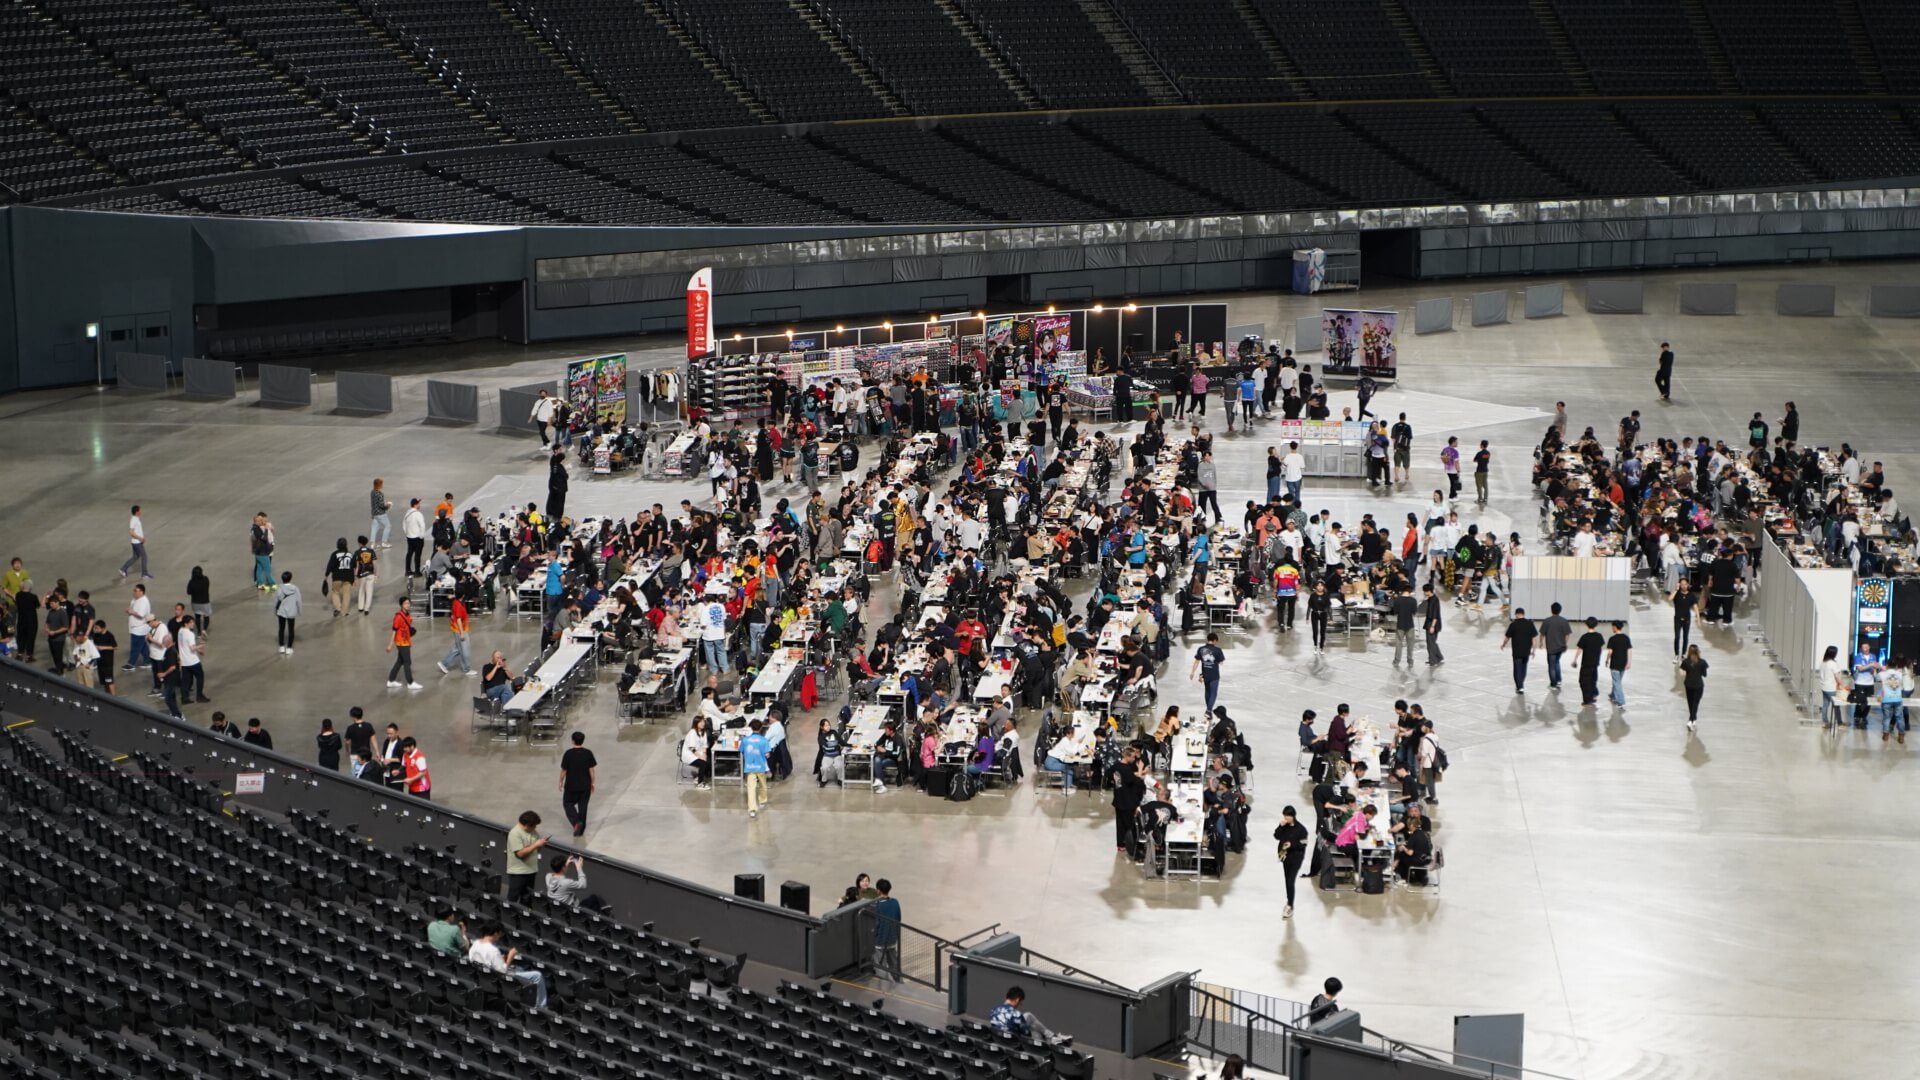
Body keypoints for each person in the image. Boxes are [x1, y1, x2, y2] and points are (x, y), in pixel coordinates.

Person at [467, 923, 547, 1009]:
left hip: (483, 978)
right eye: (500, 933)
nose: (500, 936)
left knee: (519, 968)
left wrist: (500, 959)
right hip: (500, 980)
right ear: (495, 933)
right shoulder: (493, 950)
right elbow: (503, 972)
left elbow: (473, 960)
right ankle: (540, 1007)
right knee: (537, 975)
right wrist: (510, 957)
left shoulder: (475, 944)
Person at [988, 986, 1061, 1045]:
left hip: (998, 1039)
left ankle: (1052, 1036)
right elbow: (1026, 1034)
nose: (1020, 1005)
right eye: (1020, 1003)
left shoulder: (993, 1010)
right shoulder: (1016, 1015)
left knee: (1028, 1015)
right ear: (1017, 1000)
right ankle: (1051, 1042)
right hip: (1013, 1042)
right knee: (1036, 1034)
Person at [504, 811, 549, 904]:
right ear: (527, 825)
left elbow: (536, 850)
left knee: (527, 898)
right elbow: (520, 854)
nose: (535, 828)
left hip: (531, 870)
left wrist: (540, 844)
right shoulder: (515, 833)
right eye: (534, 826)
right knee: (513, 898)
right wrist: (536, 844)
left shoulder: (533, 832)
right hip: (518, 872)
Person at [1273, 805, 1309, 918]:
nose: (1286, 818)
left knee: (1290, 881)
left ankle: (1290, 905)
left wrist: (1292, 844)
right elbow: (1276, 836)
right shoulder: (1284, 826)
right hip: (1285, 856)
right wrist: (1280, 826)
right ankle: (1289, 901)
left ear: (1293, 816)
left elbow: (1303, 844)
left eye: (1288, 816)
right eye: (1285, 816)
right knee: (1287, 879)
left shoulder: (1301, 829)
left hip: (1296, 857)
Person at [559, 731, 597, 836]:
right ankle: (581, 830)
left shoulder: (568, 754)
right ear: (582, 741)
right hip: (585, 785)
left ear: (573, 741)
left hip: (571, 785)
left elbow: (564, 770)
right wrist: (593, 783)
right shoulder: (588, 753)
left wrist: (561, 781)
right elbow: (591, 769)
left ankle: (576, 822)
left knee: (567, 803)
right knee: (583, 806)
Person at [385, 596, 420, 689]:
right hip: (401, 642)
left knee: (400, 661)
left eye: (408, 603)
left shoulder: (407, 614)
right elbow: (394, 631)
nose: (408, 605)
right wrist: (390, 644)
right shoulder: (398, 617)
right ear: (401, 605)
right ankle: (410, 683)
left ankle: (391, 680)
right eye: (405, 603)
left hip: (406, 641)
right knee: (407, 662)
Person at [871, 878, 902, 980]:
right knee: (894, 965)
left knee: (881, 967)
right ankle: (899, 982)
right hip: (892, 939)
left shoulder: (877, 906)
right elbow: (898, 918)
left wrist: (873, 936)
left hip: (880, 941)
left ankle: (885, 984)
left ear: (878, 890)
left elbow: (876, 924)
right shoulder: (895, 902)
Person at [1502, 608, 1537, 694]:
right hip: (1526, 651)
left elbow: (1507, 637)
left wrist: (1503, 645)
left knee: (1517, 669)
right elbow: (1534, 639)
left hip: (1517, 651)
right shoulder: (1530, 624)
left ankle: (1520, 686)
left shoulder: (1513, 624)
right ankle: (1521, 684)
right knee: (1523, 668)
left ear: (1517, 614)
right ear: (1523, 614)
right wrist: (1533, 650)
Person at [437, 593, 473, 675]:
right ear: (463, 595)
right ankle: (466, 669)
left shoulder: (456, 601)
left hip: (459, 629)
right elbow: (458, 619)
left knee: (457, 649)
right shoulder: (458, 605)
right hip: (460, 630)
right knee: (465, 649)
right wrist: (462, 633)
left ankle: (444, 663)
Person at [1190, 632, 1225, 714]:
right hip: (1214, 675)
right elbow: (1221, 662)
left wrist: (1192, 672)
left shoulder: (1201, 649)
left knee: (1207, 691)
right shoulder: (1218, 650)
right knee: (1213, 693)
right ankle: (1209, 710)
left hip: (1205, 674)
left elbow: (1196, 661)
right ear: (1215, 640)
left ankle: (1208, 709)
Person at [743, 719, 772, 818]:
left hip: (749, 767)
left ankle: (752, 809)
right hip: (761, 767)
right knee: (763, 784)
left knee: (751, 788)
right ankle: (762, 800)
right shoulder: (764, 740)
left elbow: (741, 750)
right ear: (761, 728)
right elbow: (767, 754)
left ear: (751, 728)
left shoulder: (745, 740)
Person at [1575, 616, 1606, 707]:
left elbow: (1579, 649)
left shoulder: (1585, 637)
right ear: (1596, 625)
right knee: (1593, 680)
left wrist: (1575, 659)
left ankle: (1587, 701)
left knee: (1583, 681)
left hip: (1586, 663)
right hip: (1595, 662)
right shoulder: (1599, 636)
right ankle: (1593, 695)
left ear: (1586, 624)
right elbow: (1600, 649)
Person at [1541, 602, 1571, 690]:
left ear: (1551, 610)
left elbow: (1542, 634)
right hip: (1561, 647)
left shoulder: (1547, 621)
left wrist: (1541, 642)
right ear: (1560, 610)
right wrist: (1564, 643)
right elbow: (1567, 635)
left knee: (1551, 666)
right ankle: (1558, 681)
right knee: (1557, 662)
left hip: (1551, 647)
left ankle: (1553, 684)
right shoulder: (1564, 621)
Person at [117, 505, 151, 580]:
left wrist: (141, 538)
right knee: (144, 557)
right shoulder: (133, 520)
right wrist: (140, 538)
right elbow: (131, 532)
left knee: (135, 557)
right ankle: (144, 574)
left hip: (136, 542)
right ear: (137, 512)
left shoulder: (136, 519)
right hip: (137, 542)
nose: (141, 511)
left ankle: (123, 569)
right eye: (140, 510)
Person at [1679, 644, 1708, 732]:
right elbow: (1705, 675)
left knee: (1690, 702)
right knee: (1695, 703)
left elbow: (1682, 672)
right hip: (1698, 685)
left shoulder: (1686, 662)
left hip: (1688, 684)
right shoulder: (1702, 662)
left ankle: (1693, 719)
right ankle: (1691, 720)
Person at [272, 572, 301, 655]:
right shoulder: (295, 588)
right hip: (291, 611)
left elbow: (276, 600)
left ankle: (281, 646)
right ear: (290, 578)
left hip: (281, 611)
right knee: (291, 629)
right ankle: (289, 647)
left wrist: (275, 610)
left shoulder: (279, 588)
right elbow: (298, 600)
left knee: (281, 628)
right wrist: (299, 610)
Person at [1606, 620, 1632, 707]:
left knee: (1617, 682)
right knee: (1617, 681)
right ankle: (1613, 695)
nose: (1612, 628)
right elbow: (1629, 651)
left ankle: (1621, 700)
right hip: (1623, 663)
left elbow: (1610, 652)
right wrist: (1629, 662)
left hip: (1614, 664)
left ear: (1615, 627)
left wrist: (1607, 660)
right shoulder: (1626, 638)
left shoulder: (1612, 639)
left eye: (1612, 627)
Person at [1390, 585, 1417, 667]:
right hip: (1410, 624)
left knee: (1399, 643)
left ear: (1402, 591)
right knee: (1410, 644)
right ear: (1410, 591)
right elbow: (1414, 612)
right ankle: (1410, 661)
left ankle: (1396, 661)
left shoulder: (1398, 600)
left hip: (1400, 624)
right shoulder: (1413, 601)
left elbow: (1395, 612)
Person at [250, 512, 276, 592]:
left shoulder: (256, 528)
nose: (262, 522)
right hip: (262, 552)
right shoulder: (256, 529)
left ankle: (260, 584)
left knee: (260, 568)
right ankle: (272, 584)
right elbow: (264, 538)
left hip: (260, 552)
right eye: (260, 520)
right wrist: (267, 529)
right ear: (256, 521)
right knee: (268, 569)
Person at [402, 498, 427, 577]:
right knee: (417, 555)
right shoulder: (418, 514)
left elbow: (404, 524)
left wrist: (407, 533)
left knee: (409, 553)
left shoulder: (407, 513)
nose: (420, 505)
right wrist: (421, 536)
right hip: (417, 537)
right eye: (418, 503)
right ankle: (417, 571)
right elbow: (422, 526)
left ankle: (408, 570)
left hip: (409, 537)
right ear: (415, 505)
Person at [369, 478, 393, 549]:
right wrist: (388, 506)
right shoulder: (380, 494)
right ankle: (384, 542)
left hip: (374, 513)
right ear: (380, 485)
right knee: (388, 526)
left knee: (374, 527)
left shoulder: (372, 492)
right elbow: (381, 506)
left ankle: (372, 544)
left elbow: (374, 504)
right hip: (381, 514)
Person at [1472, 440, 1490, 505]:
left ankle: (1480, 499)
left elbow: (1474, 460)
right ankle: (1485, 499)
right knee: (1485, 485)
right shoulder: (1488, 453)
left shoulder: (1479, 453)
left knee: (1479, 486)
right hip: (1485, 471)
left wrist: (1479, 460)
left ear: (1482, 445)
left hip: (1479, 471)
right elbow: (1487, 461)